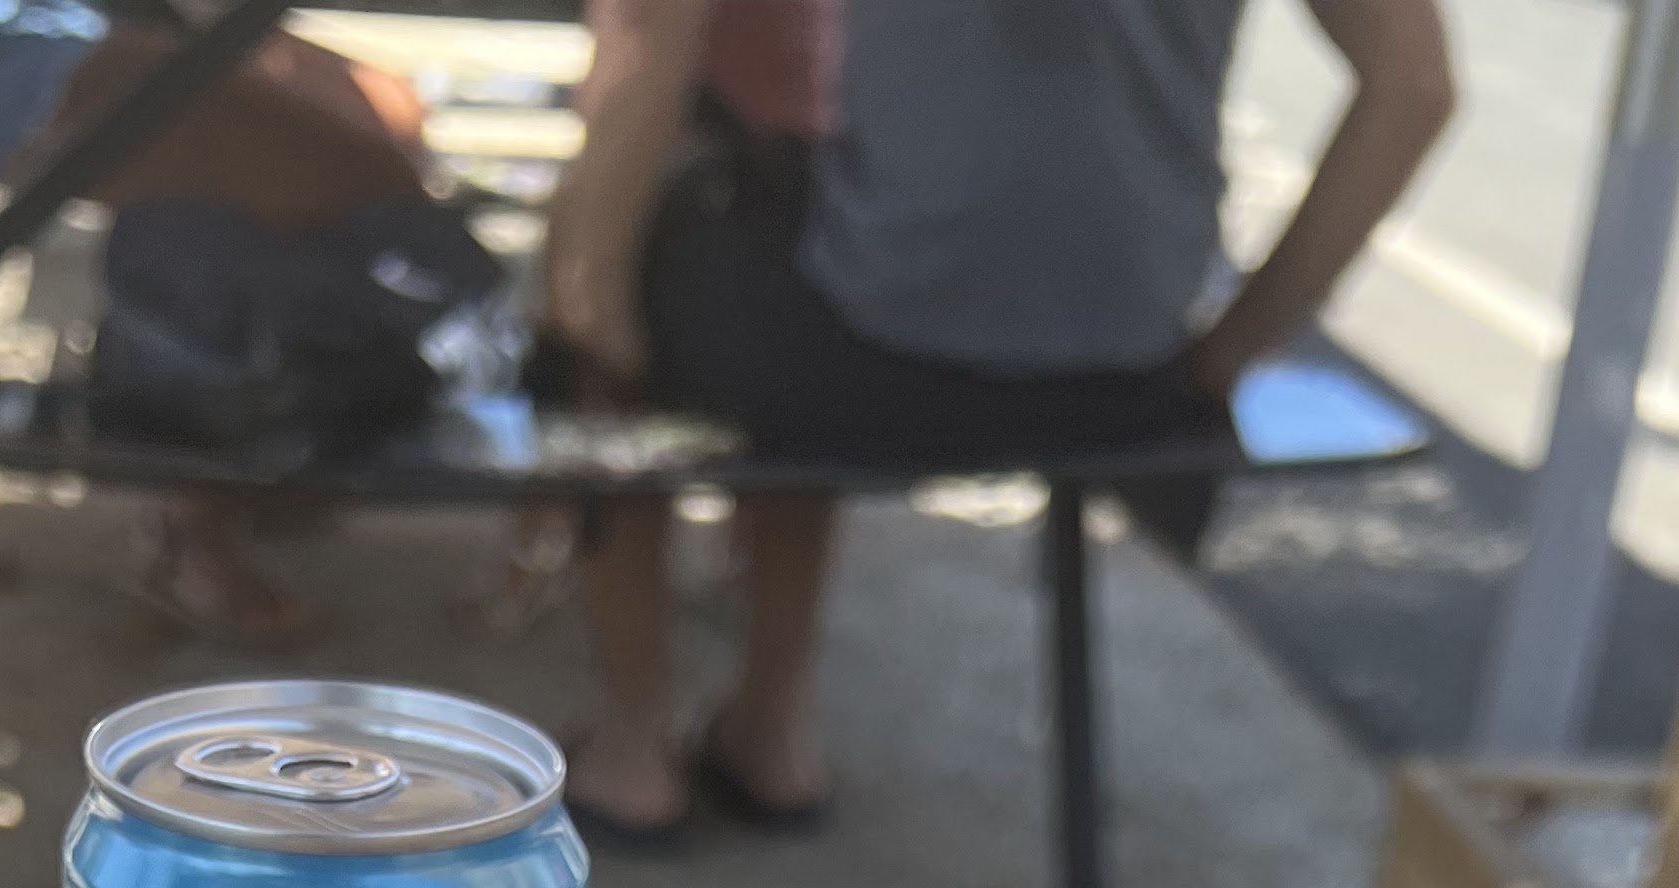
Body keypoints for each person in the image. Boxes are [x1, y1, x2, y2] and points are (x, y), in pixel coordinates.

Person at [539, 0, 1457, 841]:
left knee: (639, 265)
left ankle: (636, 745)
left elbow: (653, 32)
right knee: (793, 234)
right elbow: (1414, 89)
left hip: (869, 353)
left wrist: (582, 290)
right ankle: (772, 729)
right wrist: (1229, 351)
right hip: (1128, 374)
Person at [21, 7, 444, 636]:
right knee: (209, 326)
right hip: (216, 334)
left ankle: (210, 521)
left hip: (265, 335)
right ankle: (207, 526)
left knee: (241, 333)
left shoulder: (345, 85)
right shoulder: (131, 69)